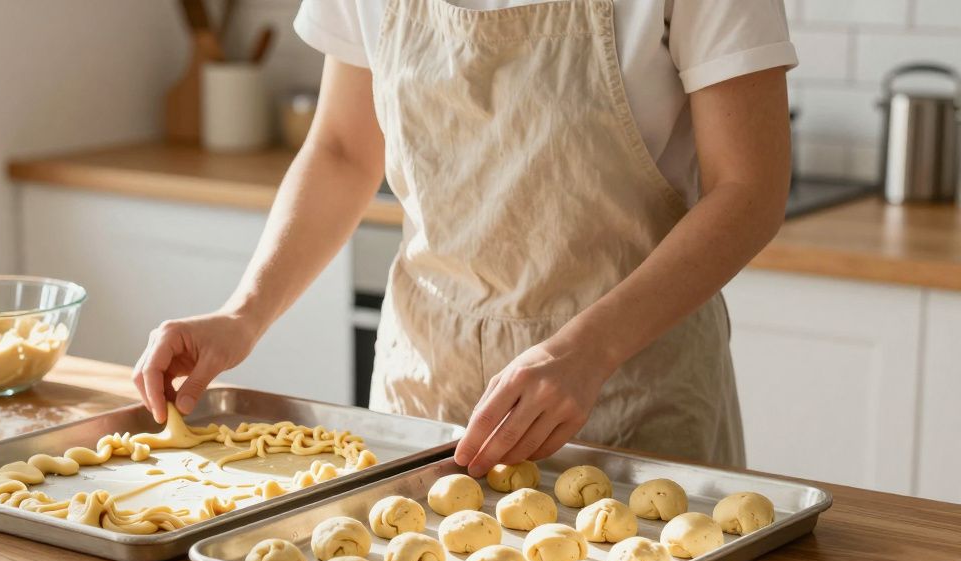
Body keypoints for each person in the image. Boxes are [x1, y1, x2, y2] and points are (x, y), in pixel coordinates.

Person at [134, 0, 795, 476]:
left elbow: (749, 188)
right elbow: (341, 150)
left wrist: (589, 349)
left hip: (632, 390)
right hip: (426, 395)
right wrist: (242, 315)